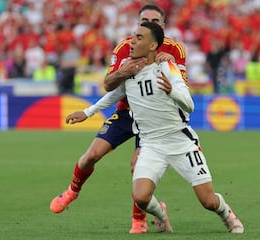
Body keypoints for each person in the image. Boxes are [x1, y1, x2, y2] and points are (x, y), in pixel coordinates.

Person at [49, 4, 187, 234]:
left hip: (153, 118)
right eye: (144, 20)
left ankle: (139, 220)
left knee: (138, 168)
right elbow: (109, 84)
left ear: (163, 26)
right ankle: (72, 191)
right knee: (90, 156)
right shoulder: (126, 47)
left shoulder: (174, 50)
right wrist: (125, 71)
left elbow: (182, 89)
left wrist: (168, 65)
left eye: (154, 21)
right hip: (126, 112)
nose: (149, 24)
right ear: (138, 23)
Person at [106, 21, 244, 234]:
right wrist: (87, 112)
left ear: (153, 46)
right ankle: (161, 214)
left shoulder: (168, 67)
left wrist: (172, 91)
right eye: (134, 36)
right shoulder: (130, 70)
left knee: (207, 201)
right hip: (152, 145)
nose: (132, 41)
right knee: (140, 197)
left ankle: (226, 213)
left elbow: (189, 104)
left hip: (179, 140)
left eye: (139, 37)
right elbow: (111, 93)